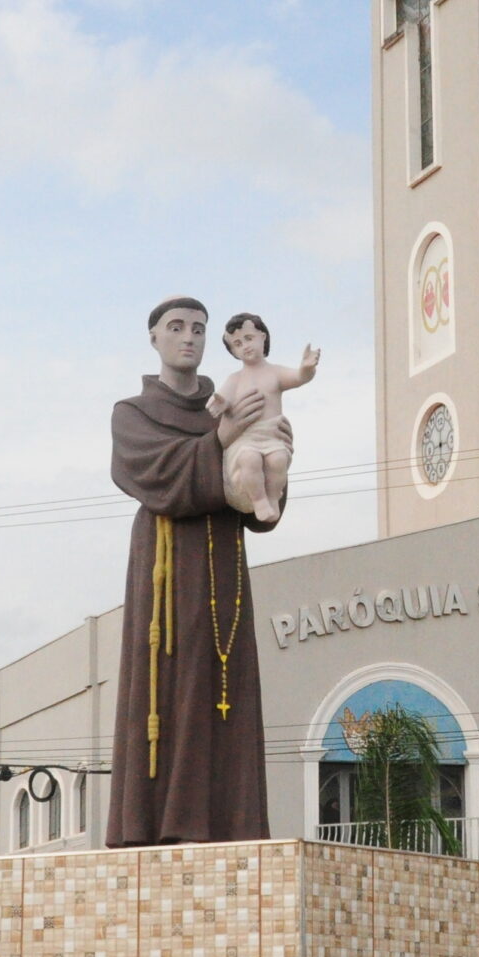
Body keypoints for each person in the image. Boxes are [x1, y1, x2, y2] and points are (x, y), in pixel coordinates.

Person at [107, 297, 282, 846]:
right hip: (164, 566)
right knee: (168, 686)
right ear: (153, 337)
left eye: (199, 329)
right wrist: (222, 442)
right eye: (176, 327)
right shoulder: (133, 412)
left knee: (223, 684)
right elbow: (151, 475)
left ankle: (228, 824)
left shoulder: (236, 397)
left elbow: (257, 507)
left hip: (224, 563)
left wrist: (276, 461)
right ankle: (159, 825)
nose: (189, 337)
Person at [212, 312, 318, 525]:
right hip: (245, 439)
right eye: (237, 344)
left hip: (272, 434)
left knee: (278, 460)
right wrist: (219, 404)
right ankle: (259, 500)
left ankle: (272, 497)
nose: (245, 346)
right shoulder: (235, 379)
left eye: (249, 338)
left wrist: (306, 369)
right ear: (233, 351)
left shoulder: (275, 373)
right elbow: (223, 398)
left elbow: (298, 378)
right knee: (249, 460)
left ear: (262, 336)